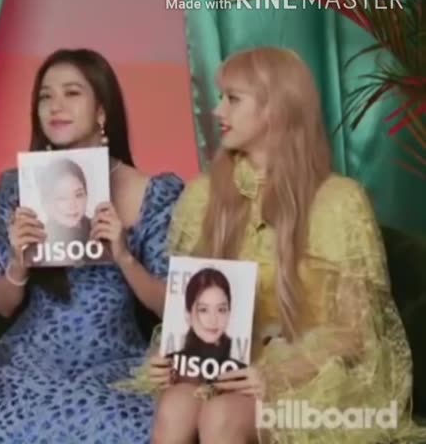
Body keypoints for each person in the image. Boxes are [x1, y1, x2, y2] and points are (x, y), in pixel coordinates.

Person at [117, 47, 426, 443]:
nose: (217, 111)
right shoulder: (202, 196)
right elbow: (189, 307)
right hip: (227, 365)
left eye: (232, 99)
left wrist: (276, 374)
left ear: (274, 110)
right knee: (176, 406)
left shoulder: (338, 202)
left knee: (222, 416)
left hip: (310, 373)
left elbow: (354, 331)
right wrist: (175, 357)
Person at [0, 48, 184, 443]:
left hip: (116, 359)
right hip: (31, 358)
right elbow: (2, 305)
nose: (55, 106)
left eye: (72, 93)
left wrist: (123, 256)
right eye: (45, 96)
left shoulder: (153, 192)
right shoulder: (19, 187)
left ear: (102, 111)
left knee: (115, 420)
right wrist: (18, 261)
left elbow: (172, 307)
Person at [177, 268, 234, 364]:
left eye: (221, 310)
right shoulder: (170, 364)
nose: (213, 320)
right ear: (188, 314)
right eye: (203, 310)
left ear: (229, 312)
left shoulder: (242, 366)